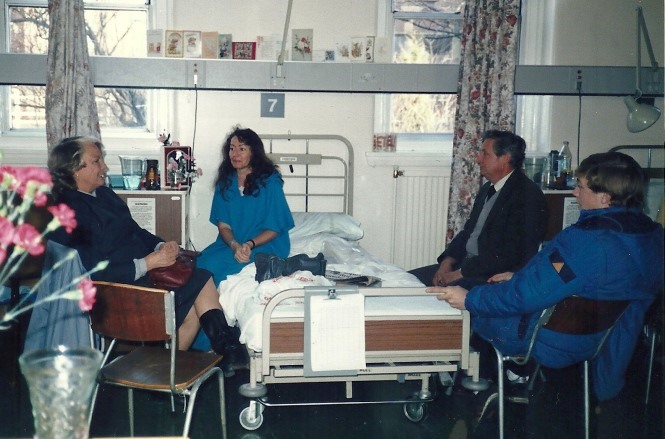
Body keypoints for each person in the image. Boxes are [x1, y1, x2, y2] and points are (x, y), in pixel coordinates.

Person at [428, 152, 664, 408]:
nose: (575, 193)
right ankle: (512, 377)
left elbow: (526, 295)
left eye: (580, 187)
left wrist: (470, 299)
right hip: (604, 340)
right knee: (491, 290)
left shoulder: (586, 241)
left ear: (604, 198)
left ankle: (487, 384)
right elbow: (582, 277)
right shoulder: (652, 235)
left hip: (551, 341)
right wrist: (520, 276)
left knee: (468, 301)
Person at [47, 136, 242, 376]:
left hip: (140, 279)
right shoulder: (68, 212)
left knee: (196, 295)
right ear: (74, 169)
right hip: (118, 293)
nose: (105, 167)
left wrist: (161, 246)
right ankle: (225, 349)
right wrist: (149, 263)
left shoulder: (104, 195)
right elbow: (93, 273)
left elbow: (135, 231)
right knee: (201, 280)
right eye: (97, 161)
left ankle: (170, 374)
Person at [409, 130, 547, 289]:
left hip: (490, 277)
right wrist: (447, 263)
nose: (478, 159)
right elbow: (468, 232)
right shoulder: (488, 189)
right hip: (465, 267)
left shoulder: (527, 196)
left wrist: (458, 274)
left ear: (505, 158)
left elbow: (508, 255)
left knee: (425, 293)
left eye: (485, 154)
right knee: (406, 281)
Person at [197, 126, 294, 286]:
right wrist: (235, 245)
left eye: (242, 149)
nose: (235, 154)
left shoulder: (270, 182)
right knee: (202, 266)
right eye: (232, 149)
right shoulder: (225, 182)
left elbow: (274, 228)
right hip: (232, 244)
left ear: (253, 152)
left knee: (225, 270)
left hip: (265, 245)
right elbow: (224, 226)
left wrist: (249, 244)